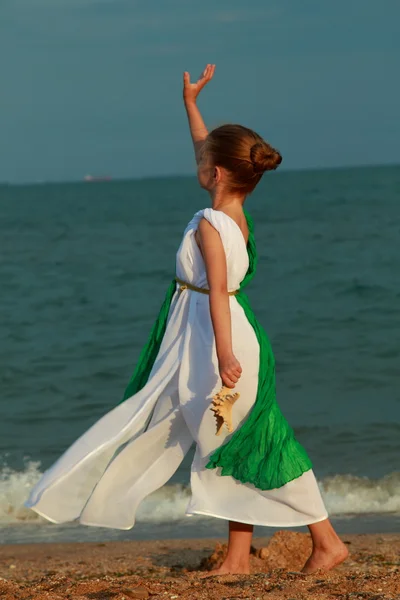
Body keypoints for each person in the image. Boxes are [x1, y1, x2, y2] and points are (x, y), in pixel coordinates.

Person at [25, 64, 348, 576]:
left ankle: (326, 541)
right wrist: (191, 104)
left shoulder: (209, 226)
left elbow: (217, 293)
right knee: (225, 441)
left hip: (218, 338)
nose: (197, 158)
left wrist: (224, 357)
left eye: (203, 157)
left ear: (215, 173)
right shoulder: (233, 211)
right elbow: (211, 149)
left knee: (240, 439)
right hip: (209, 333)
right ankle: (240, 556)